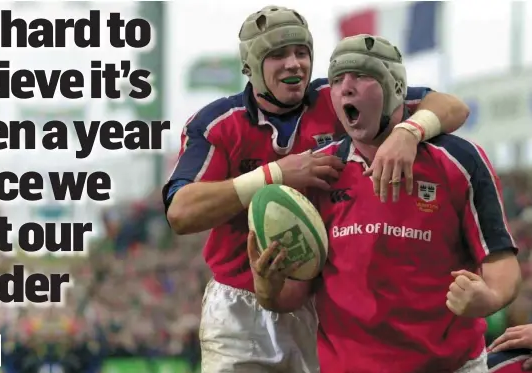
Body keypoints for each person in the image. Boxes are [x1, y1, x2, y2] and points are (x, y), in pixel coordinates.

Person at [163, 6, 470, 373]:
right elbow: (181, 212)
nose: (294, 63)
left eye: (302, 52)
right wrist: (274, 175)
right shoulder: (218, 124)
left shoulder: (338, 96)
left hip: (324, 304)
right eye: (278, 55)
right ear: (251, 66)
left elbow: (452, 106)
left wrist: (409, 131)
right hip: (242, 307)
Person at [248, 34, 520, 373]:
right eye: (336, 80)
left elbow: (501, 261)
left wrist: (489, 299)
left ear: (394, 88)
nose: (345, 87)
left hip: (450, 366)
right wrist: (268, 289)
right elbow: (295, 293)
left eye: (361, 75)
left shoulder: (459, 160)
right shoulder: (317, 173)